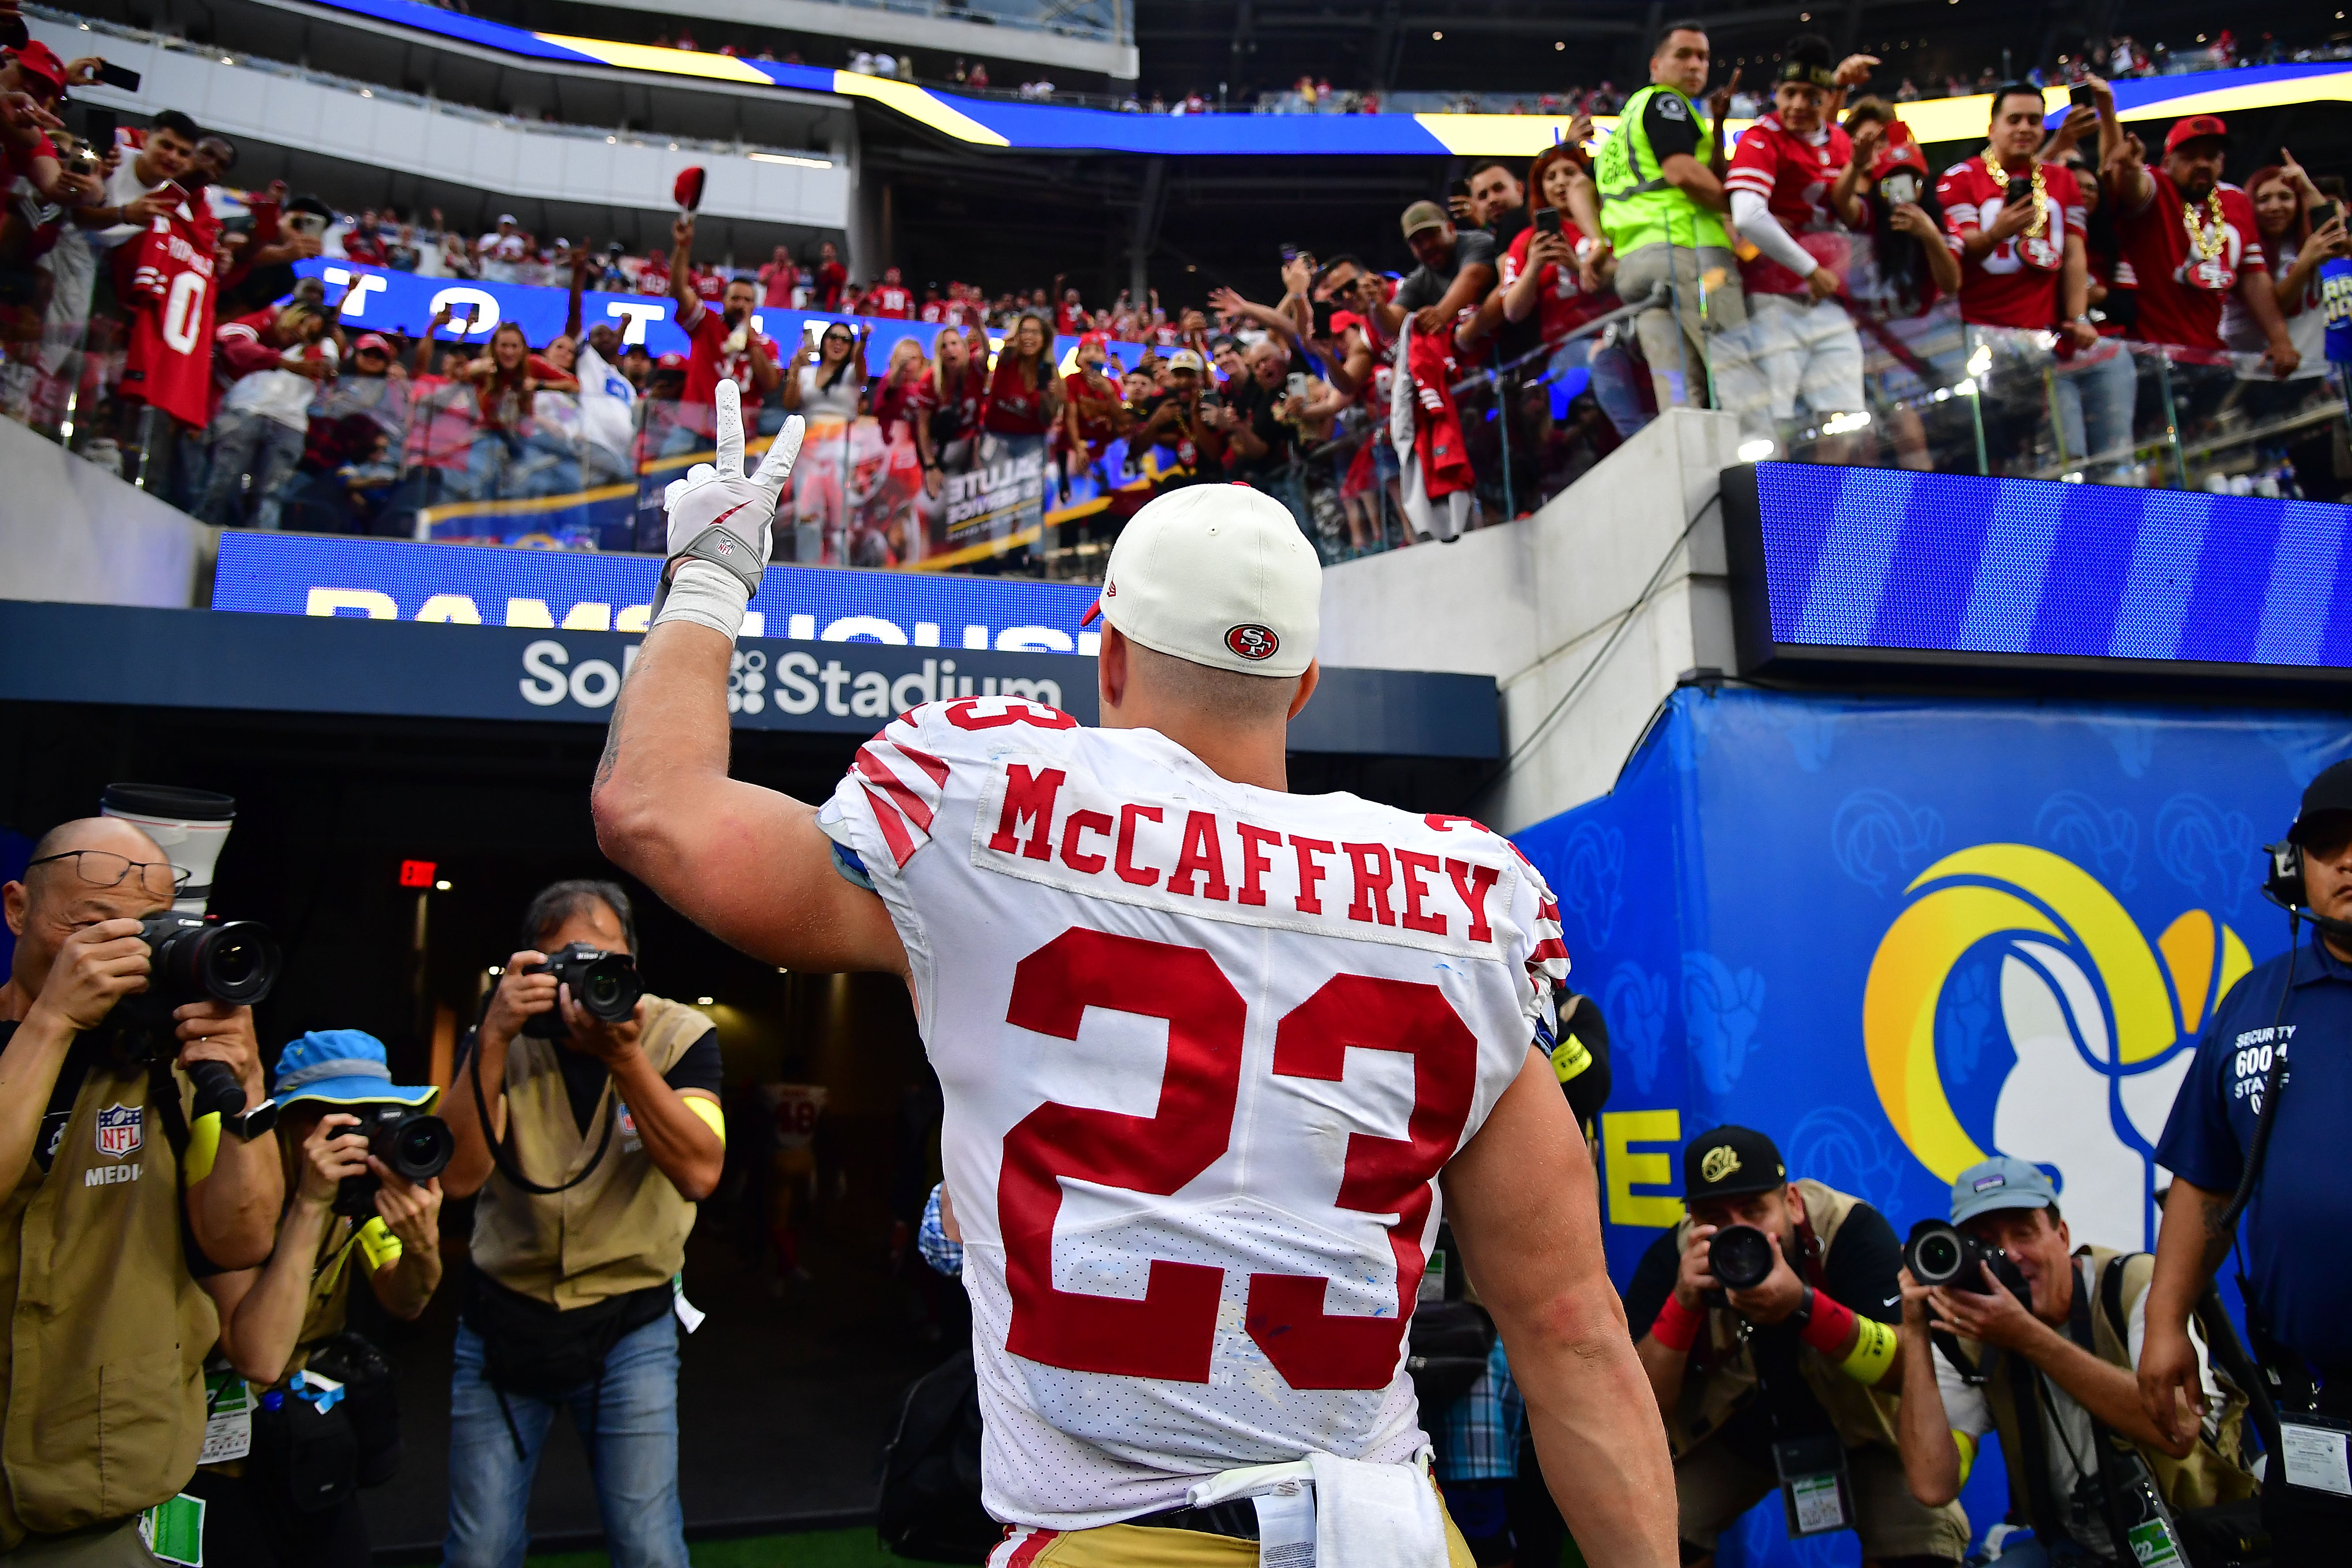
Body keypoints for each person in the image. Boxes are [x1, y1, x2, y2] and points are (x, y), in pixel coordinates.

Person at [593, 388, 1678, 1565]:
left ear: (1107, 646)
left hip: (1114, 1532)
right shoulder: (1458, 897)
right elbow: (1569, 1330)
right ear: (1303, 682)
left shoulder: (993, 818)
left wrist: (709, 574)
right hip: (1384, 1533)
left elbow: (657, 814)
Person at [0, 816, 283, 1562]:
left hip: (99, 1493)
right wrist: (55, 1019)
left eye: (147, 931)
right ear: (17, 908)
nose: (123, 954)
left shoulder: (168, 1072)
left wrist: (246, 1082)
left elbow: (241, 1235)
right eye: (91, 925)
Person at [437, 880, 726, 1568]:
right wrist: (497, 1035)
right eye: (563, 961)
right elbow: (457, 1178)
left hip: (630, 1326)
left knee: (650, 1547)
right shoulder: (500, 1036)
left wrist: (625, 1057)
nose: (585, 979)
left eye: (605, 960)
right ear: (528, 966)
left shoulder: (678, 1033)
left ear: (632, 961)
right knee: (479, 1549)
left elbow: (700, 1171)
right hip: (503, 1321)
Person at [2146, 759, 2352, 1560]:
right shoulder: (2251, 1003)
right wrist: (2164, 1322)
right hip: (2310, 1402)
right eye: (2326, 845)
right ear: (2292, 866)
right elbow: (2203, 1178)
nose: (2346, 861)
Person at [1625, 1125, 1965, 1566]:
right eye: (1714, 1217)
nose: (1737, 1233)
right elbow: (1637, 1407)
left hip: (1862, 1432)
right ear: (1691, 1216)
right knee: (1643, 1531)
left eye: (1752, 1210)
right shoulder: (1677, 1257)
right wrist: (1684, 1303)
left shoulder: (1850, 1230)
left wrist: (1804, 1307)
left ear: (1791, 1203)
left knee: (1923, 1540)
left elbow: (1908, 1368)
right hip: (1734, 1436)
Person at [1893, 1158, 2256, 1568]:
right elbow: (1931, 1483)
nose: (2009, 1254)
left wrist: (2026, 1336)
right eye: (1986, 1242)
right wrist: (1917, 1330)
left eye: (2024, 1233)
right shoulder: (1969, 1334)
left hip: (2198, 1538)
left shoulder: (2135, 1286)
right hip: (2074, 1549)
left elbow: (2179, 1427)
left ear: (2061, 1235)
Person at [186, 1030, 445, 1567]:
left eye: (372, 1116)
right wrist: (308, 1206)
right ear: (286, 1119)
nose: (353, 1135)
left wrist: (423, 1247)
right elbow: (257, 1356)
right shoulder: (234, 1172)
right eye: (333, 1117)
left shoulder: (359, 1190)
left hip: (303, 1434)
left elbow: (406, 1301)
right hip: (211, 1452)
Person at [1720, 36, 1869, 447]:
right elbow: (1748, 216)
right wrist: (1811, 268)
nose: (1798, 105)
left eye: (1810, 95)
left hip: (1828, 303)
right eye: (1789, 94)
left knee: (1845, 419)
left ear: (1827, 99)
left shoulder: (1840, 141)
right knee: (1777, 419)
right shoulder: (1760, 137)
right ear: (1775, 93)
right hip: (1774, 301)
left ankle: (1825, 510)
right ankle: (1782, 508)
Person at [1594, 20, 1749, 412]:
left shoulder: (1627, 122)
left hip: (1636, 267)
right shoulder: (1667, 103)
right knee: (1734, 371)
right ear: (1656, 65)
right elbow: (1683, 173)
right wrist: (1749, 212)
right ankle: (1762, 473)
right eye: (1683, 55)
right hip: (1688, 253)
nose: (1696, 65)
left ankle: (1698, 473)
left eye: (1703, 57)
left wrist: (1718, 123)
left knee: (1679, 396)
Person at [2096, 102, 2299, 376]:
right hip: (2149, 358)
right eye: (2190, 157)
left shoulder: (2235, 201)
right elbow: (2134, 187)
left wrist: (2281, 340)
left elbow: (2254, 278)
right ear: (2167, 162)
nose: (2202, 164)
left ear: (2222, 162)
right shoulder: (2156, 187)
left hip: (2213, 356)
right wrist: (2130, 166)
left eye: (2211, 156)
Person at [666, 214, 779, 453]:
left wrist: (750, 339)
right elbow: (677, 290)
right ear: (723, 300)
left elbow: (770, 383)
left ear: (754, 307)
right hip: (692, 429)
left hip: (738, 440)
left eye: (747, 300)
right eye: (735, 298)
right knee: (662, 483)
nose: (741, 305)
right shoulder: (706, 323)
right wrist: (682, 247)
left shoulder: (767, 344)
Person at [779, 319, 866, 563]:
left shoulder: (851, 374)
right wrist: (794, 371)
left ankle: (841, 577)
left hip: (843, 453)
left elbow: (862, 371)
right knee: (807, 517)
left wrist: (865, 342)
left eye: (845, 340)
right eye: (833, 337)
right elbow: (790, 403)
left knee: (839, 521)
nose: (838, 343)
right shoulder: (807, 373)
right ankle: (808, 573)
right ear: (824, 341)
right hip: (809, 454)